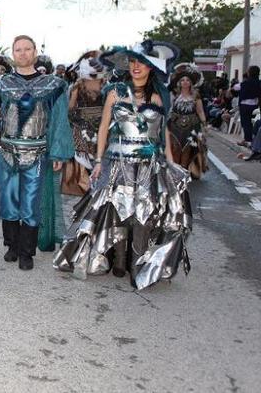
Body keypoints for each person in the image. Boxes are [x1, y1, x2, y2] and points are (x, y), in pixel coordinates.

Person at [54, 41, 192, 290]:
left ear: (151, 67)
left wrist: (171, 165)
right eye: (132, 62)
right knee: (115, 209)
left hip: (149, 164)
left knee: (144, 212)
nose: (136, 66)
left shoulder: (159, 97)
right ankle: (118, 259)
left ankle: (137, 261)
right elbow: (104, 131)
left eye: (141, 62)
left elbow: (163, 135)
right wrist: (97, 162)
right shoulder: (116, 92)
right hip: (117, 163)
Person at [0, 35, 74, 270]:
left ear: (35, 52)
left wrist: (58, 153)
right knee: (9, 202)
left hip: (36, 151)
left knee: (30, 203)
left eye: (27, 49)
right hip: (8, 150)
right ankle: (12, 245)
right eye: (18, 49)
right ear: (13, 53)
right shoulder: (2, 83)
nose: (22, 53)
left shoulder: (52, 85)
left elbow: (60, 121)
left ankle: (26, 251)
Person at [61, 51, 106, 196]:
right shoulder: (77, 86)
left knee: (97, 157)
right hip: (81, 127)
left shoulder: (107, 86)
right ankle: (84, 185)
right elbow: (71, 108)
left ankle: (94, 185)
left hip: (99, 127)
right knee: (81, 157)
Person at [168, 63, 208, 179]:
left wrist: (204, 124)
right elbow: (168, 109)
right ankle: (174, 172)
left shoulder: (196, 95)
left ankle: (183, 173)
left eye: (187, 80)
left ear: (191, 83)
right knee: (175, 149)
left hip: (192, 126)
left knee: (187, 149)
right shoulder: (174, 95)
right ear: (179, 83)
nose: (185, 82)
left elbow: (200, 111)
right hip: (175, 126)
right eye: (182, 80)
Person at [237, 65, 260, 146]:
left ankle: (248, 140)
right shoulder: (259, 83)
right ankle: (249, 139)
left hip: (244, 106)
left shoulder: (245, 83)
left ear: (250, 73)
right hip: (255, 106)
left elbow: (236, 89)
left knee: (246, 123)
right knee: (253, 123)